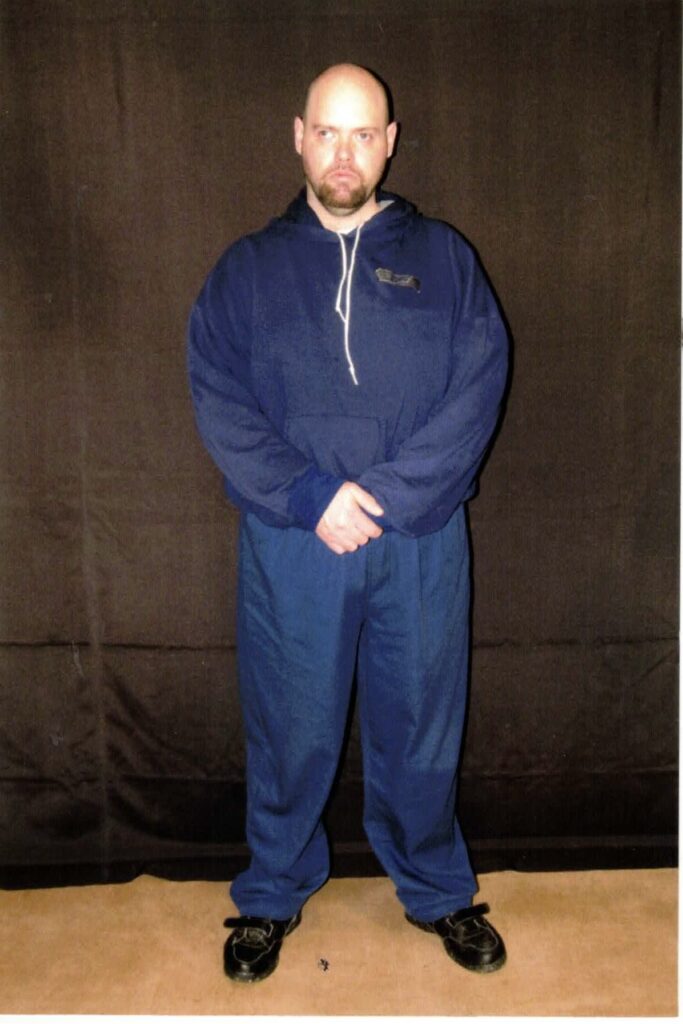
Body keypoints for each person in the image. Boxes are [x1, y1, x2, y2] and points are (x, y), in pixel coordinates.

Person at [187, 63, 509, 983]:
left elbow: (479, 383)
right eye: (326, 132)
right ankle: (271, 892)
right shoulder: (246, 270)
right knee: (289, 727)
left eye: (362, 134)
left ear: (389, 142)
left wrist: (394, 496)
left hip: (419, 537)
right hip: (295, 541)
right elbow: (218, 396)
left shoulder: (444, 258)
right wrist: (309, 496)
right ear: (298, 136)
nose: (343, 153)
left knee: (421, 725)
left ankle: (437, 890)